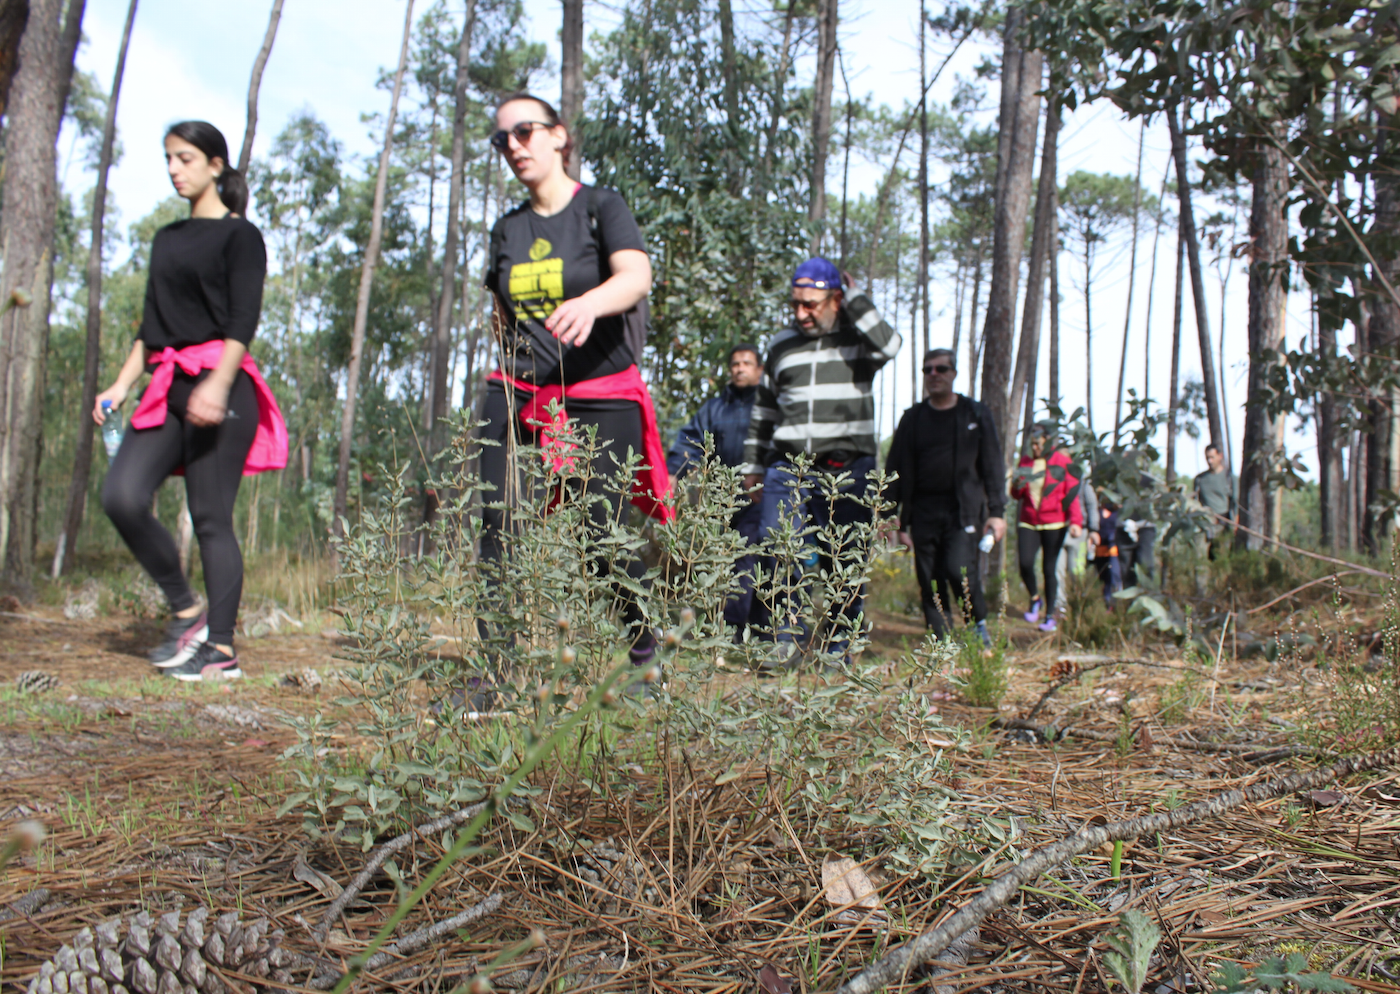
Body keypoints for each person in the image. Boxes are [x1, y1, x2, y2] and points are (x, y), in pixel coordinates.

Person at [479, 92, 671, 673]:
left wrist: (590, 303)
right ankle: (496, 670)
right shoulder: (507, 229)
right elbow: (500, 309)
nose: (513, 146)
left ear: (558, 135)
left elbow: (636, 275)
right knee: (497, 518)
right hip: (519, 391)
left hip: (597, 389)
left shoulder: (600, 207)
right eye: (502, 139)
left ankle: (645, 650)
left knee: (598, 531)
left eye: (525, 131)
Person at [96, 121, 287, 682]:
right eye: (168, 159)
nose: (174, 169)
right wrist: (120, 386)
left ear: (215, 165)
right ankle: (186, 611)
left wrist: (218, 384)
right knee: (122, 495)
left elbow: (242, 321)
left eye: (185, 158)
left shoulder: (241, 236)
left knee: (209, 517)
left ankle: (221, 648)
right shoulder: (167, 239)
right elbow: (151, 326)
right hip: (167, 384)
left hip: (223, 385)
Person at [740, 257, 899, 666]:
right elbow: (764, 410)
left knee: (844, 555)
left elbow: (890, 345)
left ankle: (840, 644)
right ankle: (783, 641)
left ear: (835, 300)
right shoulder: (781, 343)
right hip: (787, 466)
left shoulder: (859, 340)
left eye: (810, 304)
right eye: (795, 304)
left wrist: (857, 297)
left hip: (847, 467)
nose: (801, 313)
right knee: (779, 550)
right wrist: (752, 466)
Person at [885, 348, 1007, 647]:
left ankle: (978, 630)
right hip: (922, 512)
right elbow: (894, 468)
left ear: (953, 373)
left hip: (963, 511)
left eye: (941, 369)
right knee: (930, 580)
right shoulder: (913, 418)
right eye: (928, 369)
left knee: (959, 570)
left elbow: (992, 465)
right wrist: (888, 514)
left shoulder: (974, 413)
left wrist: (997, 511)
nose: (934, 374)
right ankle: (941, 645)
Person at [666, 344, 768, 636]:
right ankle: (736, 628)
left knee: (751, 557)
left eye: (746, 363)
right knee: (727, 558)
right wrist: (674, 471)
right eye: (735, 364)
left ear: (759, 370)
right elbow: (691, 440)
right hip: (724, 496)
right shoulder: (715, 408)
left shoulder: (768, 405)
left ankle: (743, 629)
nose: (740, 368)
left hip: (763, 495)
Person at [1010, 424, 1083, 633]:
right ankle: (1035, 598)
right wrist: (1016, 482)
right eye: (1032, 444)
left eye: (1039, 444)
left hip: (1054, 522)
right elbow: (1017, 495)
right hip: (1029, 521)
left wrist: (1076, 521)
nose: (1035, 448)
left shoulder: (1062, 462)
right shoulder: (1026, 462)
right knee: (1025, 563)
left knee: (1049, 568)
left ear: (1048, 441)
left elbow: (1071, 495)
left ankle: (1050, 615)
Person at [1193, 443, 1237, 559]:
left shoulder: (1229, 478)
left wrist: (1234, 525)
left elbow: (1236, 504)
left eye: (1212, 457)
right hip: (1205, 526)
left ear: (1220, 456)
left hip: (1223, 525)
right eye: (1207, 458)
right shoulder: (1200, 479)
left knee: (1222, 557)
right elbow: (1195, 502)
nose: (1210, 461)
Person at [1093, 491, 1123, 607]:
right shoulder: (1097, 512)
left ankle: (1115, 604)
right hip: (1099, 551)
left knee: (1114, 575)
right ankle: (1105, 604)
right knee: (1103, 579)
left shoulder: (1118, 513)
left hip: (1113, 550)